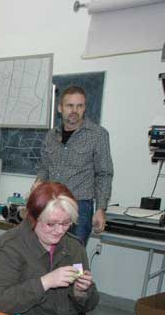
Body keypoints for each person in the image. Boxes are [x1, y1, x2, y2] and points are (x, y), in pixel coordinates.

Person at [0, 183, 121, 315]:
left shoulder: (73, 247)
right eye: (51, 224)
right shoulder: (5, 248)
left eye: (66, 223)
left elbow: (90, 305)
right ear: (33, 218)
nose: (59, 231)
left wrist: (81, 293)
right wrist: (44, 282)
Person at [35, 85, 113, 246]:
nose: (75, 110)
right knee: (48, 253)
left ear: (84, 108)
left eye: (80, 106)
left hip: (80, 208)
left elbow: (104, 173)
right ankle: (53, 273)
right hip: (51, 204)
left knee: (75, 256)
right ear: (60, 108)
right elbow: (44, 166)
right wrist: (39, 181)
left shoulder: (98, 135)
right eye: (70, 105)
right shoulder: (51, 136)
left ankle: (76, 273)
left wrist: (101, 209)